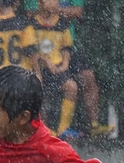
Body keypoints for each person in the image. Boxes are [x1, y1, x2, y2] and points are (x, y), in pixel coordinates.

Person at [59, 0, 115, 138]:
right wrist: (64, 12)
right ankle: (46, 130)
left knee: (88, 78)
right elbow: (32, 14)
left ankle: (94, 126)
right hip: (44, 49)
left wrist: (52, 10)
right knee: (41, 86)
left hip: (69, 46)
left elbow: (77, 11)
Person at [30, 0, 79, 138]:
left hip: (57, 68)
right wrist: (42, 65)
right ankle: (42, 131)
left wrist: (64, 65)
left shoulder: (62, 23)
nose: (55, 3)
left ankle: (64, 129)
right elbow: (31, 50)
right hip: (38, 69)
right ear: (40, 3)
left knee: (72, 87)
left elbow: (66, 47)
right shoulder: (32, 23)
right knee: (38, 95)